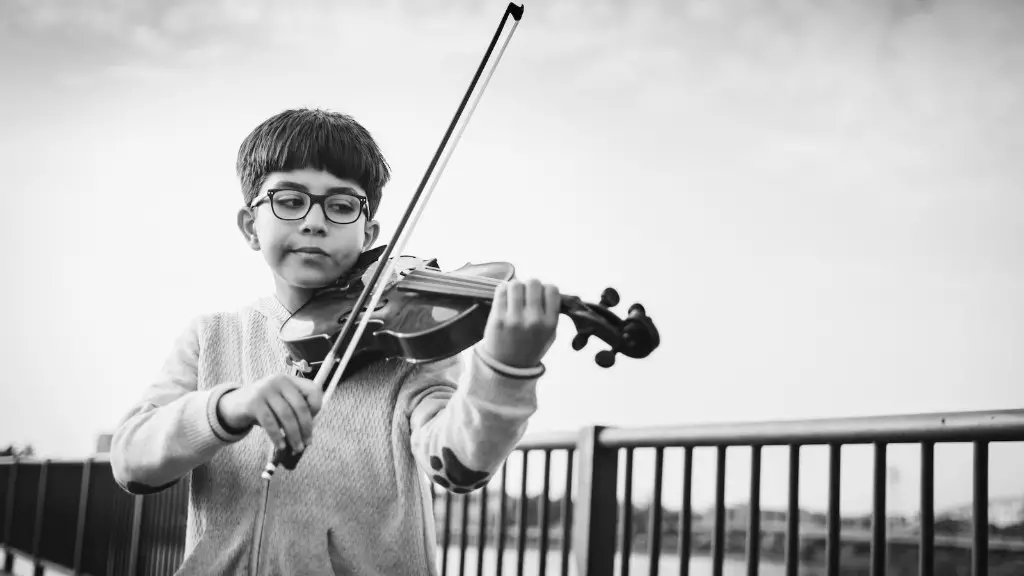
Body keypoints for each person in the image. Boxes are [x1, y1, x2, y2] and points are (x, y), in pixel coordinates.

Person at [109, 108, 560, 575]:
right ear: (249, 226)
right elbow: (131, 464)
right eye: (289, 200)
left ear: (368, 234)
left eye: (341, 206)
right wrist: (229, 407)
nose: (314, 222)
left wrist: (506, 370)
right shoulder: (212, 338)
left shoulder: (407, 347)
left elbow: (461, 466)